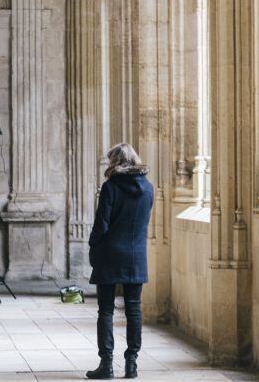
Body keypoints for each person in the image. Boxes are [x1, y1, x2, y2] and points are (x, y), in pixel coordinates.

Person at [86, 143, 154, 380]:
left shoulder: (111, 187)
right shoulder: (148, 188)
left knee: (105, 310)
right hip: (136, 255)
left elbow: (101, 224)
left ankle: (106, 365)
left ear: (115, 162)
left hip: (109, 254)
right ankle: (131, 364)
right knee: (133, 309)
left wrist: (92, 245)